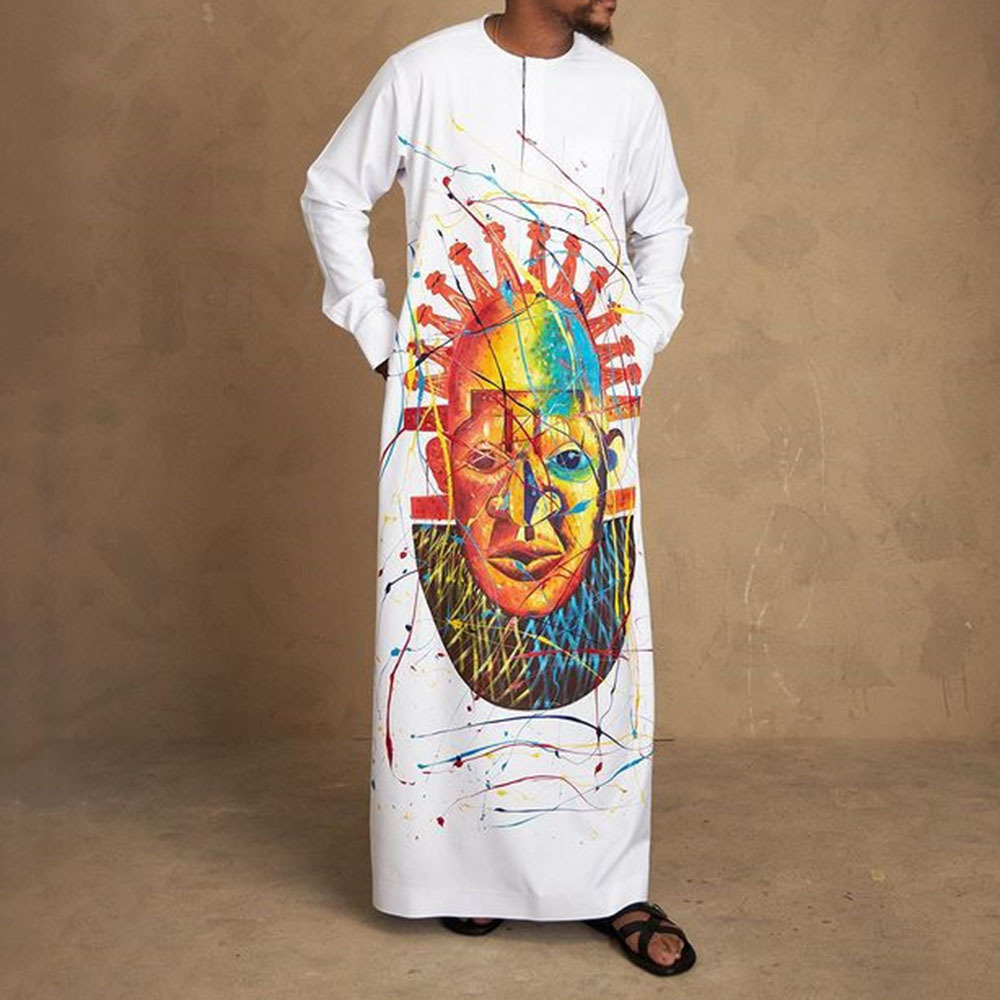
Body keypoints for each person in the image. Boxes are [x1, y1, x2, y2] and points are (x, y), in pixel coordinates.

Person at [300, 0, 696, 977]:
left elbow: (665, 226)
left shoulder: (626, 94)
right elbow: (331, 192)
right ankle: (462, 872)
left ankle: (606, 883)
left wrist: (636, 341)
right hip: (449, 420)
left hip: (586, 424)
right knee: (439, 661)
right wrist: (383, 339)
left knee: (606, 664)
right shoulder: (423, 74)